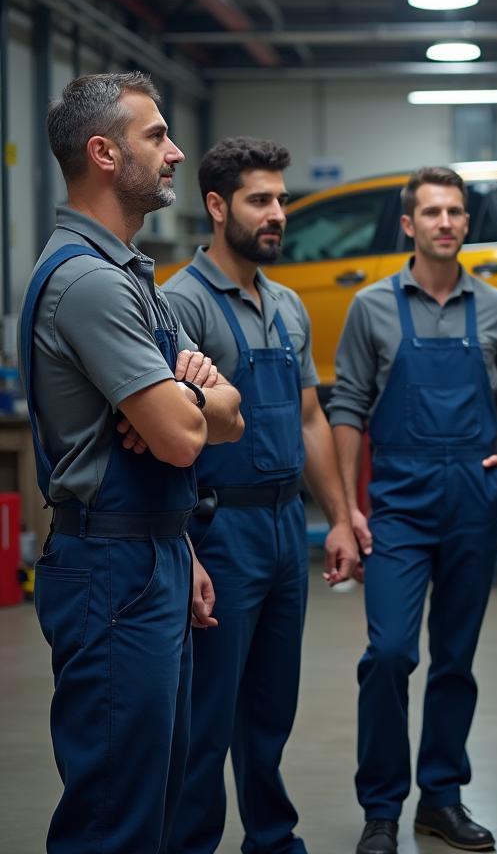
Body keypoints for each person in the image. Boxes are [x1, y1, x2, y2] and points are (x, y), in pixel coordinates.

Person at [19, 72, 243, 854]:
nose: (177, 153)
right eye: (156, 136)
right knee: (114, 818)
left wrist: (180, 544)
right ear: (104, 153)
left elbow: (226, 414)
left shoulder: (131, 279)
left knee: (155, 801)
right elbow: (185, 437)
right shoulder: (88, 284)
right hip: (110, 568)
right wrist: (191, 407)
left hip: (152, 550)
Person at [328, 166, 497, 854]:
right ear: (408, 225)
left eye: (455, 211)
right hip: (398, 508)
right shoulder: (373, 306)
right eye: (433, 212)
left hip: (472, 509)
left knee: (456, 659)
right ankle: (382, 809)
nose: (447, 222)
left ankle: (441, 799)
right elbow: (347, 408)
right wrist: (344, 508)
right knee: (390, 653)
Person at [163, 138, 365, 854]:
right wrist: (183, 551)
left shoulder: (284, 303)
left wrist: (339, 518)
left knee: (271, 705)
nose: (277, 214)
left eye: (281, 199)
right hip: (219, 526)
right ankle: (191, 842)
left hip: (284, 526)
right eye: (260, 200)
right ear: (217, 207)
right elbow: (165, 443)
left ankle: (273, 839)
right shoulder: (178, 305)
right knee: (208, 712)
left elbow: (310, 417)